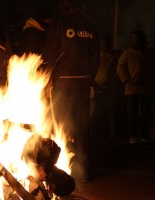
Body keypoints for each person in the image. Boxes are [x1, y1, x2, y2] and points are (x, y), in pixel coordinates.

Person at [41, 0, 100, 182]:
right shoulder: (91, 28)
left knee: (62, 126)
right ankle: (81, 170)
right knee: (81, 127)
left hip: (62, 83)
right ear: (82, 7)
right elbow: (96, 59)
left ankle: (64, 168)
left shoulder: (59, 25)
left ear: (66, 6)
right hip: (82, 84)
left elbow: (49, 57)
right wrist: (89, 78)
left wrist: (45, 83)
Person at [117, 30, 155, 144]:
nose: (135, 40)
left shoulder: (151, 53)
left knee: (145, 114)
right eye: (133, 38)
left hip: (147, 88)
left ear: (142, 39)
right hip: (132, 88)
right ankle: (132, 135)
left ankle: (144, 136)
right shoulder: (128, 53)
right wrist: (126, 80)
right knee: (132, 114)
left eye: (137, 38)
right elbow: (121, 67)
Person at [90, 35, 124, 140]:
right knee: (94, 112)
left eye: (106, 43)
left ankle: (110, 134)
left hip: (108, 88)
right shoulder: (95, 56)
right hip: (96, 87)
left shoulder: (114, 57)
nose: (104, 45)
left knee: (109, 112)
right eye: (102, 43)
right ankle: (93, 133)